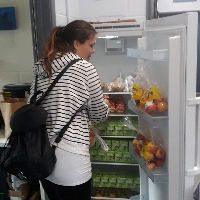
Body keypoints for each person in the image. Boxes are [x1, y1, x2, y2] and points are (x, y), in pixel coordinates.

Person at [28, 20, 109, 200]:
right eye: (91, 45)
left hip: (42, 156)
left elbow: (32, 105)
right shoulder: (85, 68)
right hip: (71, 159)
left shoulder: (42, 65)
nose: (93, 50)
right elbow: (99, 114)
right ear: (76, 43)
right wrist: (105, 104)